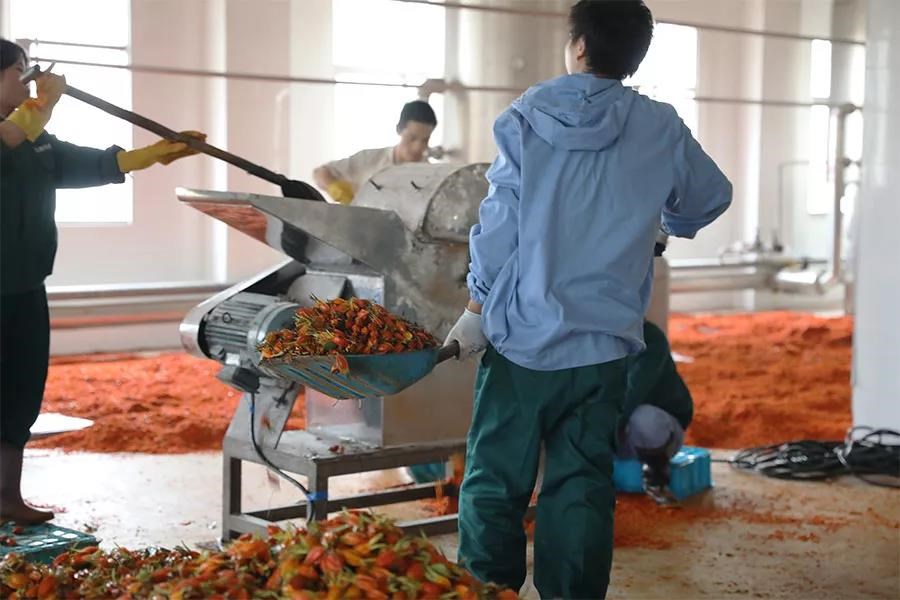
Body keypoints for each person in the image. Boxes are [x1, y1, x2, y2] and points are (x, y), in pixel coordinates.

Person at [443, 1, 733, 597]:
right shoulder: (661, 125)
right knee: (581, 488)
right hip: (605, 346)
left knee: (496, 482)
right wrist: (666, 225)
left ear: (578, 46)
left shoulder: (526, 118)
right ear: (635, 58)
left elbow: (500, 224)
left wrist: (475, 309)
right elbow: (710, 195)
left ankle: (489, 590)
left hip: (524, 342)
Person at [0, 39, 205, 524]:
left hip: (26, 287)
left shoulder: (36, 141)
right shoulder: (19, 132)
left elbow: (88, 163)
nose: (29, 82)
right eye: (20, 72)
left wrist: (152, 154)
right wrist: (41, 106)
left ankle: (6, 497)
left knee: (20, 394)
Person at [618, 320, 693, 504]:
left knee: (645, 420)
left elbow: (632, 393)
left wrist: (600, 430)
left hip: (654, 436)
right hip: (613, 432)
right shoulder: (591, 338)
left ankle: (656, 475)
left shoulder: (649, 338)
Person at [312, 100, 437, 205]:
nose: (418, 147)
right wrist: (335, 188)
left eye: (425, 140)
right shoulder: (369, 159)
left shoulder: (430, 175)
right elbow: (320, 172)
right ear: (399, 129)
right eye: (412, 138)